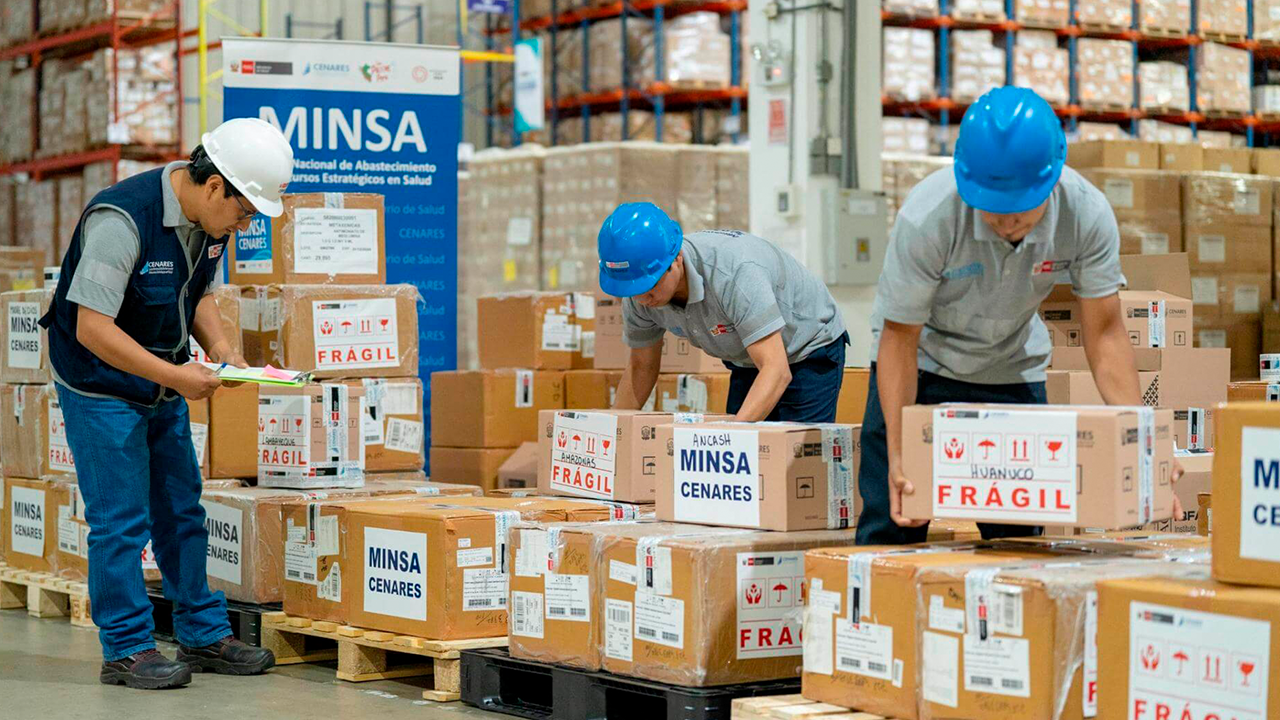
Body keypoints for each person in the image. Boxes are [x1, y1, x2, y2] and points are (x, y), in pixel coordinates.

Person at [39, 118, 293, 689]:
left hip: (161, 376)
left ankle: (202, 633)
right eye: (244, 211)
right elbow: (92, 329)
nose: (245, 224)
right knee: (120, 521)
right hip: (100, 383)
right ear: (214, 186)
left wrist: (223, 352)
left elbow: (194, 293)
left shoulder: (210, 222)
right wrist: (176, 377)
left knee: (181, 510)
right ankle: (126, 648)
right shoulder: (122, 220)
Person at [856, 86, 1165, 545]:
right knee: (894, 518)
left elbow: (1104, 334)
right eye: (992, 208)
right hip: (921, 368)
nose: (1005, 222)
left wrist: (1141, 439)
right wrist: (900, 452)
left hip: (1011, 370)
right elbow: (899, 337)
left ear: (1052, 178)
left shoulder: (1085, 213)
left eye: (1019, 208)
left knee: (1018, 539)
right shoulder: (928, 217)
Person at [598, 203, 849, 422]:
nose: (642, 299)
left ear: (676, 260)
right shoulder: (638, 291)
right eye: (632, 290)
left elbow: (776, 369)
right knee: (742, 453)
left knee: (788, 453)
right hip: (749, 357)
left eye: (649, 286)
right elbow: (641, 367)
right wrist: (614, 434)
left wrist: (730, 437)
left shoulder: (734, 274)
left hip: (807, 346)